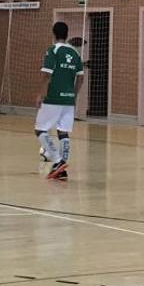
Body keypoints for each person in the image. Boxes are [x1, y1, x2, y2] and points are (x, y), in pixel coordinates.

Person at [35, 22, 84, 181]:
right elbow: (81, 77)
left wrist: (40, 94)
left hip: (53, 97)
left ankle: (57, 160)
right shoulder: (75, 53)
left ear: (53, 34)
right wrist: (74, 95)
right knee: (63, 131)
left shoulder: (53, 50)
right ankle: (61, 168)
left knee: (40, 130)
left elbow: (46, 74)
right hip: (69, 99)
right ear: (67, 34)